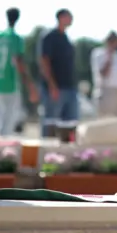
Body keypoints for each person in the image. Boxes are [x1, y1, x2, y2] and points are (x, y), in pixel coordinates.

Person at [0, 8, 38, 136]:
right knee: (9, 117)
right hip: (10, 82)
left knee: (2, 115)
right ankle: (3, 149)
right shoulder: (15, 38)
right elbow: (19, 63)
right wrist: (30, 85)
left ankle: (1, 142)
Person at [40, 9, 78, 141]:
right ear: (61, 17)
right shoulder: (50, 37)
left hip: (69, 86)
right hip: (55, 88)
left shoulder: (66, 38)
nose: (71, 19)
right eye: (69, 16)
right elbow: (45, 61)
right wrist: (52, 85)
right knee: (51, 122)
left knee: (70, 124)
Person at [90, 31, 117, 117]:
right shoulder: (98, 54)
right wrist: (109, 56)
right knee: (105, 121)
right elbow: (103, 73)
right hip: (105, 91)